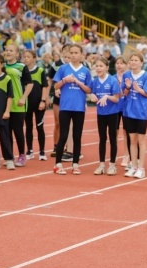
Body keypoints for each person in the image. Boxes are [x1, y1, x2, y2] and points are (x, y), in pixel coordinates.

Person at [52, 43, 92, 175]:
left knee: (77, 136)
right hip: (65, 107)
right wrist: (65, 80)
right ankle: (58, 164)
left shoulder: (85, 71)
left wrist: (79, 83)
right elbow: (56, 86)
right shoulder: (63, 68)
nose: (74, 55)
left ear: (81, 55)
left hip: (79, 108)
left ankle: (75, 164)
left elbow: (89, 89)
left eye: (76, 53)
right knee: (63, 135)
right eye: (72, 53)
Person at [121, 52, 147, 179]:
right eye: (131, 60)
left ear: (141, 63)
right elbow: (124, 92)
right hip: (128, 111)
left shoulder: (146, 76)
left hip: (141, 112)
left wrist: (139, 90)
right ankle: (133, 166)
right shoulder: (126, 75)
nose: (133, 62)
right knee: (132, 140)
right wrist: (128, 87)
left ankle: (141, 168)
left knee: (141, 140)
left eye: (136, 60)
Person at [4, 43, 34, 167]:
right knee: (6, 131)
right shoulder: (2, 66)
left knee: (18, 131)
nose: (8, 52)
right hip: (5, 104)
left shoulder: (22, 66)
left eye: (11, 50)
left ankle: (22, 155)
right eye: (6, 50)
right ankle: (9, 156)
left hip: (18, 103)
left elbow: (30, 84)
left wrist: (23, 98)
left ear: (17, 54)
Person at [91, 57, 120, 176]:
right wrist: (92, 96)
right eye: (96, 66)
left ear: (107, 67)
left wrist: (107, 97)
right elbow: (92, 93)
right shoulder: (94, 81)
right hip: (101, 114)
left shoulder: (113, 81)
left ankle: (112, 165)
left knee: (113, 138)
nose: (98, 68)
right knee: (102, 138)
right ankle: (101, 165)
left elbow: (117, 99)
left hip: (112, 113)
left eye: (101, 66)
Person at [22, 49, 48, 161]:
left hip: (39, 104)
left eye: (28, 57)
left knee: (39, 127)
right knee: (28, 127)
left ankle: (42, 152)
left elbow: (45, 87)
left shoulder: (40, 71)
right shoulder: (22, 72)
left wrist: (43, 101)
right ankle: (30, 150)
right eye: (24, 57)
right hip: (26, 104)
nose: (26, 59)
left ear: (34, 58)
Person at [113, 54, 130, 167]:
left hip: (126, 107)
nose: (119, 65)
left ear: (126, 65)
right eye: (117, 63)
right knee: (114, 132)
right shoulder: (112, 77)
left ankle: (127, 155)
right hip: (115, 107)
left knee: (126, 132)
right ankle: (114, 155)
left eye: (122, 63)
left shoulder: (129, 76)